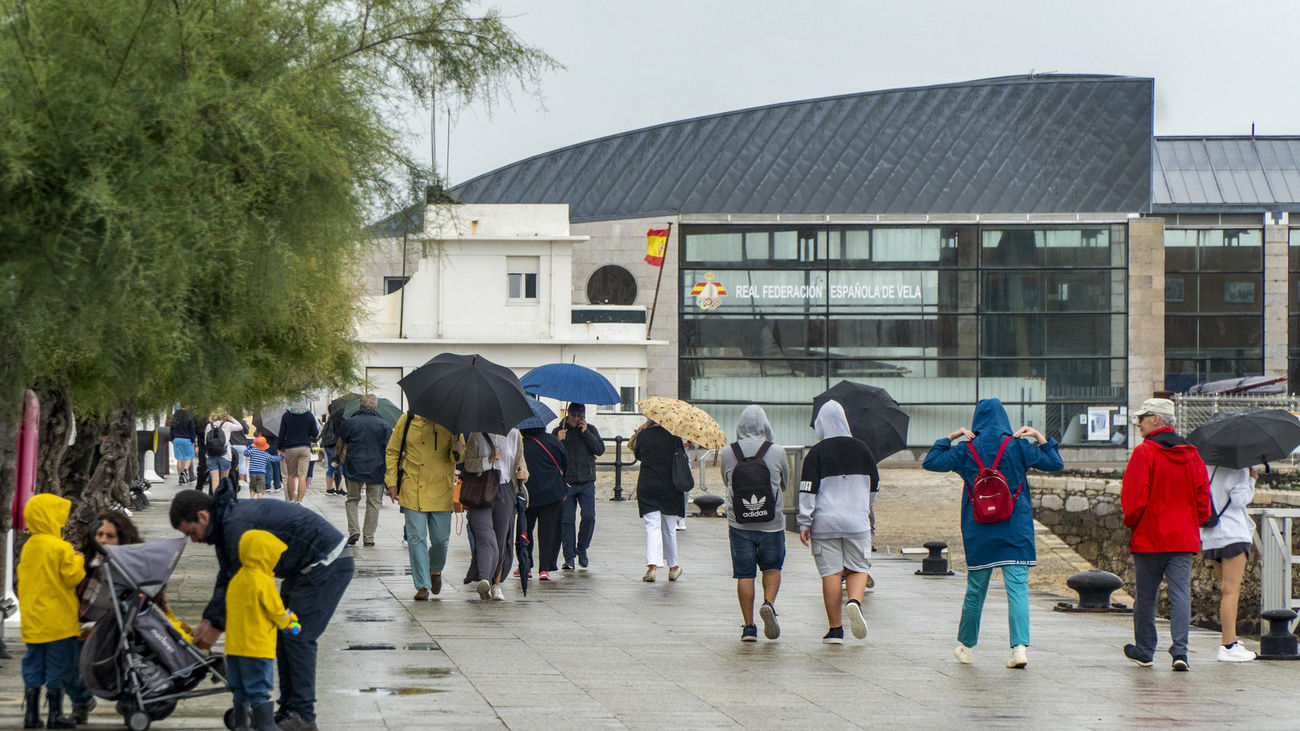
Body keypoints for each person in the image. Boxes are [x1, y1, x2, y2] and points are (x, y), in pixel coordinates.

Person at [170, 482, 353, 730]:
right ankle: (289, 711)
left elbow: (234, 578)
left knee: (298, 637)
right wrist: (208, 620)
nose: (194, 540)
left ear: (203, 516)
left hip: (327, 564)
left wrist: (214, 626)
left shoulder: (235, 525)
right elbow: (227, 578)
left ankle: (303, 715)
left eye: (192, 532)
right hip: (302, 571)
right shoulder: (227, 522)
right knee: (285, 635)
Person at [922, 398, 1062, 668]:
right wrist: (1038, 436)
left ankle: (966, 647)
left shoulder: (966, 450)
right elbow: (1055, 463)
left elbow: (931, 461)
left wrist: (951, 436)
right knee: (1017, 589)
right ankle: (1019, 649)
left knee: (975, 590)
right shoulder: (1018, 446)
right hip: (1015, 529)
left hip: (979, 530)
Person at [1121, 397, 1211, 671]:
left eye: (1142, 418)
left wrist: (1134, 525)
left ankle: (1145, 650)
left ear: (1155, 419)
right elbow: (1204, 500)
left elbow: (1134, 499)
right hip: (1183, 537)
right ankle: (1180, 652)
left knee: (1146, 597)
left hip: (1150, 536)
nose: (1138, 423)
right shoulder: (1192, 455)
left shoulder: (1145, 453)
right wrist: (1191, 522)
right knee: (1180, 594)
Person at [798, 401, 877, 645]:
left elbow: (807, 491)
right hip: (856, 521)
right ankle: (854, 601)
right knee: (859, 567)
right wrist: (864, 507)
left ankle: (835, 630)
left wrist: (804, 522)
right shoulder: (863, 449)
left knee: (830, 573)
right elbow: (874, 487)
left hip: (825, 523)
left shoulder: (816, 453)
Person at [720, 405, 787, 642]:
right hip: (772, 523)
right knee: (772, 567)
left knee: (744, 573)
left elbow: (727, 480)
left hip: (739, 523)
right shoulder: (777, 451)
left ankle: (749, 627)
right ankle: (768, 604)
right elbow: (784, 483)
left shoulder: (728, 452)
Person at [17, 494, 85, 728]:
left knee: (33, 664)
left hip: (33, 619)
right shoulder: (60, 547)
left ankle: (31, 715)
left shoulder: (29, 547)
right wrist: (79, 560)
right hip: (58, 621)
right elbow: (71, 577)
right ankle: (55, 714)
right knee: (58, 666)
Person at [226, 530, 304, 730]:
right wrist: (288, 622)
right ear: (265, 556)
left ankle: (242, 725)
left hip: (235, 648)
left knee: (240, 689)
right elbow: (276, 611)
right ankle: (265, 725)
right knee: (259, 689)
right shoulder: (263, 581)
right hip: (257, 647)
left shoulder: (237, 579)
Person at [385, 413, 463, 600]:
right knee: (416, 539)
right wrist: (392, 481)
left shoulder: (452, 422)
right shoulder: (408, 419)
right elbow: (393, 451)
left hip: (441, 489)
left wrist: (458, 450)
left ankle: (435, 570)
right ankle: (422, 585)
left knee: (441, 540)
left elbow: (459, 458)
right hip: (413, 487)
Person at [1200, 463, 1258, 662]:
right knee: (1231, 591)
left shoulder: (1207, 467)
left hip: (1211, 536)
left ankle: (1229, 640)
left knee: (1226, 590)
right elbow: (1240, 500)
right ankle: (1228, 645)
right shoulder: (1237, 469)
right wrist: (1251, 480)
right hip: (1233, 534)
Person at [463, 430, 527, 600]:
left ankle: (496, 585)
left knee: (501, 539)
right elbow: (468, 464)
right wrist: (488, 460)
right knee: (485, 536)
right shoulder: (476, 435)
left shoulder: (515, 435)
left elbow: (521, 465)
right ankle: (484, 579)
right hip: (481, 490)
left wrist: (523, 474)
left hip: (506, 489)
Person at [631, 420, 685, 583]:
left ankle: (652, 568)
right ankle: (673, 567)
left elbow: (638, 455)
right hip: (670, 486)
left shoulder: (643, 435)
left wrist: (639, 433)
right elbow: (681, 456)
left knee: (651, 527)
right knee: (669, 528)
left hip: (648, 484)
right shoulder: (674, 436)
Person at [338, 395, 393, 548]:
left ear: (359, 406)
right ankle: (369, 537)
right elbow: (389, 448)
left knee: (352, 499)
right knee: (374, 502)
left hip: (354, 465)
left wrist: (337, 459)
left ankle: (354, 530)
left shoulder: (349, 422)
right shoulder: (384, 424)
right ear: (375, 407)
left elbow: (342, 441)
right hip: (376, 467)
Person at [554, 403, 604, 571]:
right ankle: (569, 557)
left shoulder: (591, 430)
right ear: (568, 414)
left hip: (586, 481)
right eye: (574, 415)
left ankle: (582, 548)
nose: (577, 419)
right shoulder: (559, 430)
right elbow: (552, 454)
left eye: (580, 416)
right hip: (567, 482)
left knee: (589, 516)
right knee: (567, 520)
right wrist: (558, 440)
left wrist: (586, 433)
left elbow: (599, 450)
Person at [521, 426, 568, 581]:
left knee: (525, 530)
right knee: (548, 532)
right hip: (552, 493)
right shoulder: (553, 441)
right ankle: (545, 568)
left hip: (529, 494)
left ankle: (526, 564)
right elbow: (564, 463)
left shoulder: (522, 444)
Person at [277, 406, 319, 503]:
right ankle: (299, 501)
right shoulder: (309, 416)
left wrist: (279, 448)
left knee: (291, 475)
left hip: (290, 448)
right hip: (305, 447)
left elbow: (282, 434)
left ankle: (291, 500)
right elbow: (315, 433)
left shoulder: (286, 416)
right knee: (302, 476)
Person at [204, 410, 244, 494]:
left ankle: (215, 498)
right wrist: (231, 418)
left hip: (211, 455)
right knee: (224, 480)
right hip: (225, 455)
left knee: (215, 479)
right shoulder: (227, 425)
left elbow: (205, 442)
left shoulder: (209, 425)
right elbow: (240, 427)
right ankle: (222, 498)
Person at [319, 408, 345, 496]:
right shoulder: (340, 418)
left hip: (328, 445)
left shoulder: (330, 419)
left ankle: (329, 489)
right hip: (336, 446)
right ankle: (339, 489)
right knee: (339, 467)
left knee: (331, 467)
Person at [171, 405, 198, 485]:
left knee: (179, 459)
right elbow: (192, 429)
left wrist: (173, 438)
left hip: (176, 439)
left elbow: (171, 428)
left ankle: (180, 479)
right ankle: (185, 471)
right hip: (187, 439)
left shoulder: (175, 415)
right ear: (187, 405)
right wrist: (193, 440)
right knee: (189, 458)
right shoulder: (189, 415)